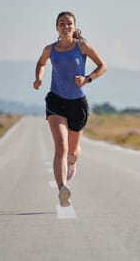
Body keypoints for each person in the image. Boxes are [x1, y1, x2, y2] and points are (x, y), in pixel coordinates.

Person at [33, 11, 107, 207]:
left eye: (69, 24)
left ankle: (72, 163)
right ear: (56, 27)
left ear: (74, 27)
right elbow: (41, 63)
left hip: (77, 104)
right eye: (62, 24)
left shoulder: (82, 46)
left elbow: (102, 66)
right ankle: (62, 189)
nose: (66, 27)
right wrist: (39, 77)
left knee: (72, 152)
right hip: (56, 101)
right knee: (61, 147)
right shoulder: (50, 49)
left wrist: (87, 79)